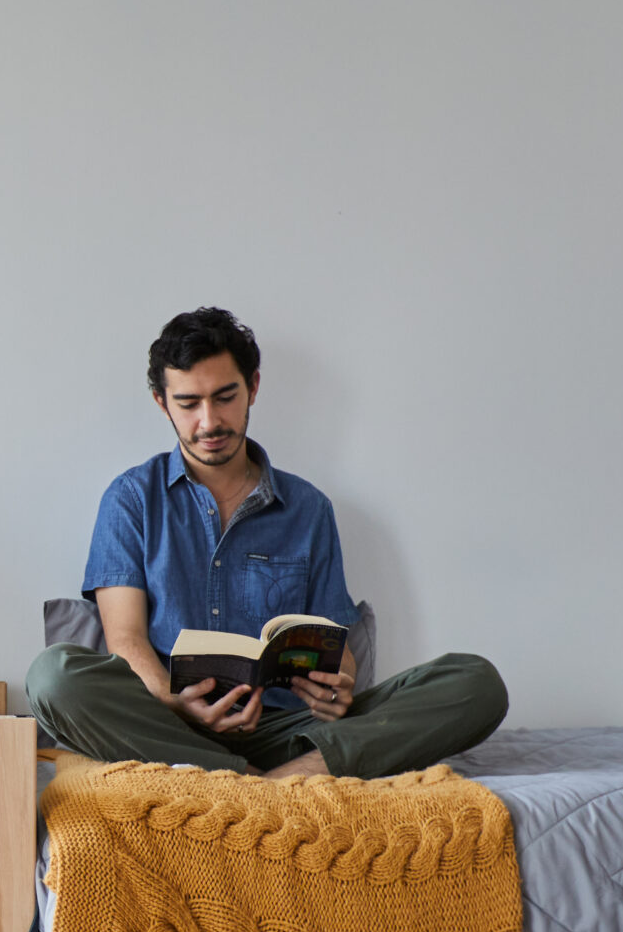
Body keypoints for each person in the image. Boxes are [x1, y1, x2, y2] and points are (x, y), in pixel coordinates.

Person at [29, 307, 507, 780]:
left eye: (225, 397)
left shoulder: (308, 509)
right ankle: (268, 781)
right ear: (162, 403)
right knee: (54, 677)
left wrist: (338, 683)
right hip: (167, 724)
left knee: (475, 683)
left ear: (252, 388)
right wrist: (177, 702)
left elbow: (331, 639)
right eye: (189, 403)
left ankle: (270, 777)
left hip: (287, 729)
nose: (209, 422)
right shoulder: (132, 498)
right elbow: (125, 639)